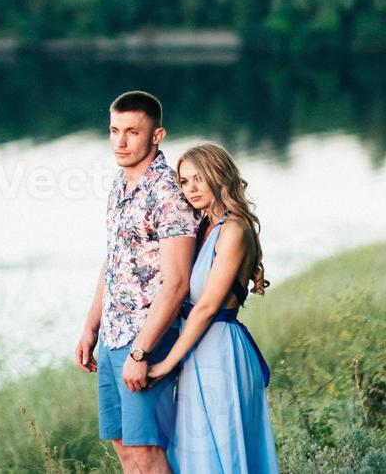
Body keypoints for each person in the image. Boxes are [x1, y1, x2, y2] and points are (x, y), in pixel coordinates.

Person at [76, 90, 201, 474]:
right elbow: (114, 260)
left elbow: (177, 283)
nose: (120, 141)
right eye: (114, 131)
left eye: (132, 132)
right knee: (125, 449)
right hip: (113, 334)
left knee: (147, 452)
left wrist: (140, 352)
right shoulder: (120, 184)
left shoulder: (168, 193)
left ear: (157, 135)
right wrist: (90, 326)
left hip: (147, 338)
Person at [147, 142, 279, 474]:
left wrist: (166, 365)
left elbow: (205, 307)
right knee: (197, 454)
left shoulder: (234, 229)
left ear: (218, 177)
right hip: (196, 348)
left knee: (223, 448)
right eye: (183, 181)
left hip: (220, 350)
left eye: (197, 179)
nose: (189, 189)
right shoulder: (201, 227)